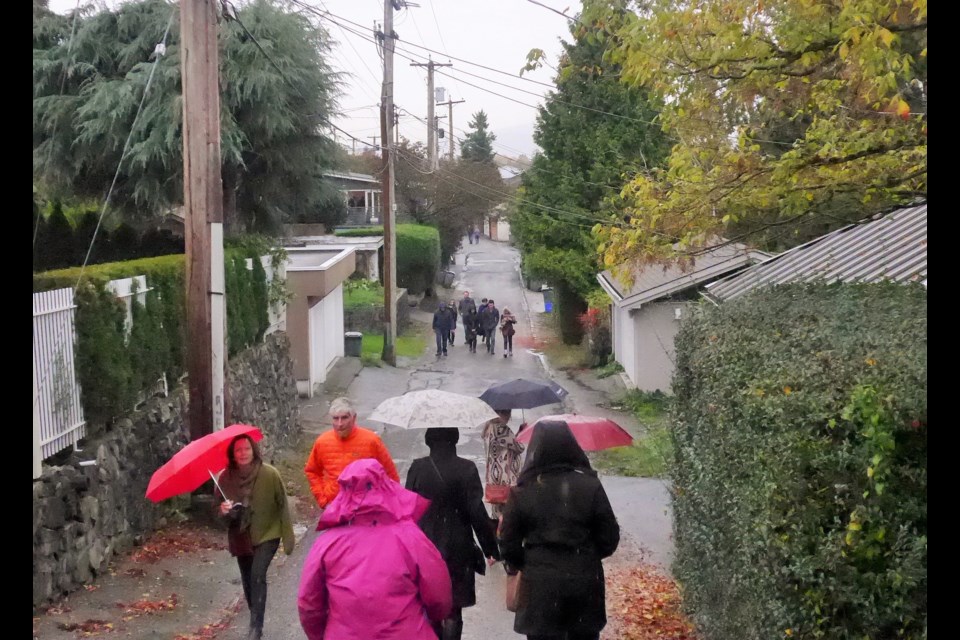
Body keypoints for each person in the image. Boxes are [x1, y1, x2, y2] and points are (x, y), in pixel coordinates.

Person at [298, 459, 453, 640]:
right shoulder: (410, 537)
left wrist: (319, 635)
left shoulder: (326, 544)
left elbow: (309, 603)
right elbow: (438, 596)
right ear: (386, 486)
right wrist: (433, 618)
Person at [499, 421, 621, 640]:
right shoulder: (590, 486)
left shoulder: (523, 492)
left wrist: (526, 561)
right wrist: (587, 555)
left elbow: (508, 544)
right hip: (583, 582)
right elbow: (609, 537)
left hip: (539, 586)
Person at [406, 428, 501, 640]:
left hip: (424, 547)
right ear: (456, 440)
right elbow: (477, 512)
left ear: (428, 440)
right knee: (453, 608)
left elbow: (408, 510)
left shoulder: (417, 469)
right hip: (458, 548)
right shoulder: (466, 469)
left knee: (428, 604)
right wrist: (490, 548)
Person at [216, 435, 295, 640]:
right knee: (248, 579)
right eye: (238, 450)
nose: (243, 454)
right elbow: (220, 519)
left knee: (258, 575)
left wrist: (288, 538)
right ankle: (255, 617)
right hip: (241, 537)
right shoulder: (224, 479)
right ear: (233, 455)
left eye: (247, 449)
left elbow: (283, 506)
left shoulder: (270, 474)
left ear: (254, 450)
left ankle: (255, 629)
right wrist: (224, 511)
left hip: (268, 532)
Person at [304, 397, 400, 509]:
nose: (339, 424)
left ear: (354, 418)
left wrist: (388, 503)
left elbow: (390, 475)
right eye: (335, 418)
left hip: (366, 509)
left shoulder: (371, 441)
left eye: (344, 418)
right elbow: (312, 471)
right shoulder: (322, 442)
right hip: (334, 506)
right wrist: (322, 499)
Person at [481, 410, 524, 517]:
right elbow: (519, 447)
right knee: (507, 516)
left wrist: (518, 433)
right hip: (505, 480)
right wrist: (522, 431)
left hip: (495, 479)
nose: (508, 417)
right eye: (507, 414)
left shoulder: (489, 428)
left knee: (497, 514)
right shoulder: (501, 429)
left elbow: (508, 443)